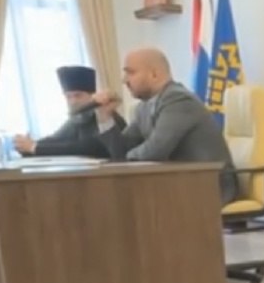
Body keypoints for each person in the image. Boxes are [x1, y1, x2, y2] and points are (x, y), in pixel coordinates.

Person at [94, 47, 238, 204]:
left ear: (154, 74)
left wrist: (123, 159)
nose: (124, 80)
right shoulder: (143, 107)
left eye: (131, 73)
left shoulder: (178, 100)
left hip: (210, 185)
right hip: (179, 183)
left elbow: (155, 150)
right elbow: (122, 148)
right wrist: (104, 116)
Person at [13, 66, 126, 158]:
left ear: (92, 96)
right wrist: (26, 146)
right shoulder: (77, 118)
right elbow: (56, 140)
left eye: (78, 96)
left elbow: (85, 147)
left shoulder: (107, 117)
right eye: (68, 97)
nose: (73, 102)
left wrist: (35, 147)